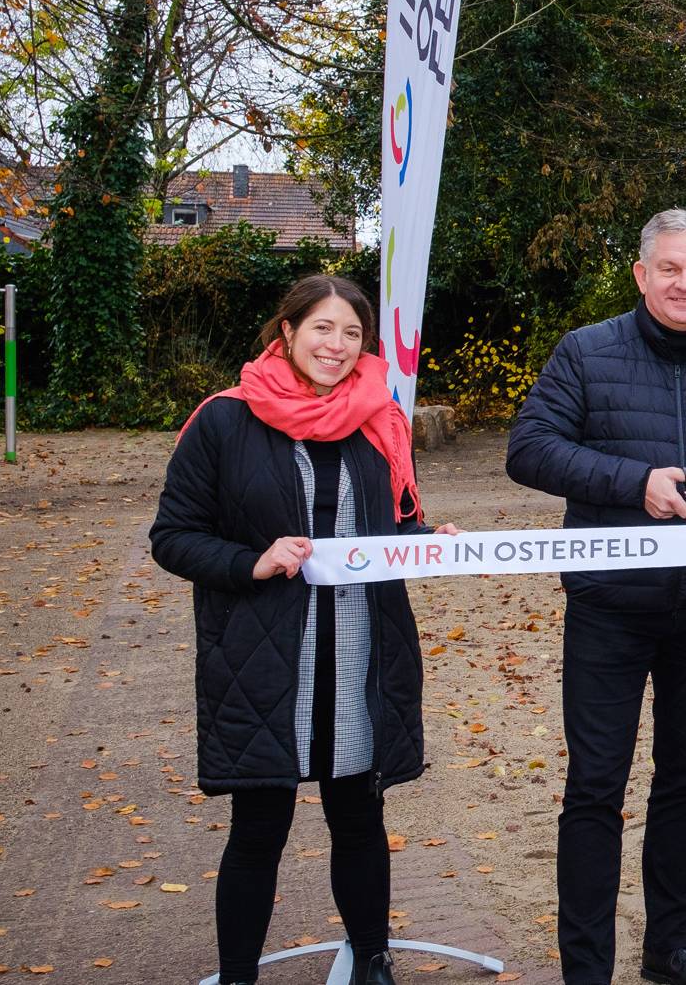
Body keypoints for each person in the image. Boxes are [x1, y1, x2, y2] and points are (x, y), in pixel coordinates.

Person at [506, 208, 686, 985]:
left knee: (685, 777)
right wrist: (633, 484)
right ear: (641, 275)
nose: (684, 282)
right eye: (669, 268)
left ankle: (669, 946)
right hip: (608, 603)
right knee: (595, 786)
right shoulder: (586, 351)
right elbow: (530, 448)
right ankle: (586, 965)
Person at [151, 274, 458, 985]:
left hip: (359, 652)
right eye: (323, 328)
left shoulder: (376, 418)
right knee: (260, 828)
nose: (338, 345)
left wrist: (426, 536)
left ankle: (372, 961)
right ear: (285, 332)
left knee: (358, 815)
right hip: (265, 658)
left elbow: (390, 523)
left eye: (352, 333)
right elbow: (172, 535)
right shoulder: (225, 422)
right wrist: (249, 561)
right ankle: (238, 976)